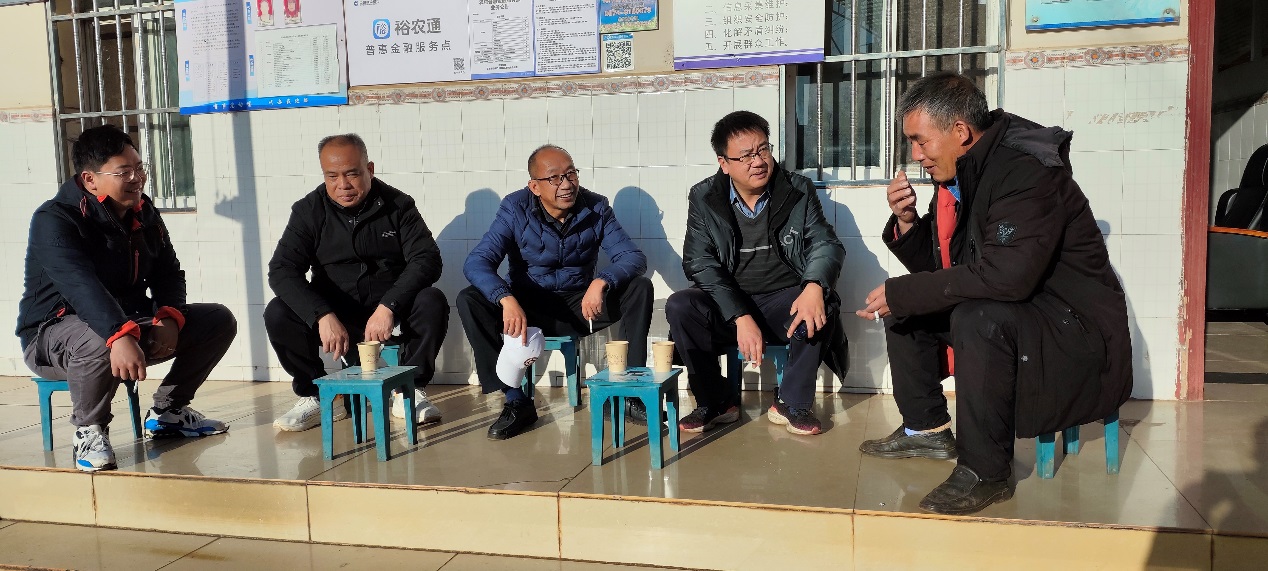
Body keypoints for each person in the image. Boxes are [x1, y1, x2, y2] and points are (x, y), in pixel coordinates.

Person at [856, 72, 1132, 515]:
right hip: (1023, 311)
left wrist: (905, 290)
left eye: (920, 141)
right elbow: (944, 273)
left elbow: (1007, 277)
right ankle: (926, 429)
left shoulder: (1026, 171)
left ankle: (986, 472)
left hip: (1073, 328)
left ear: (960, 131)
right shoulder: (964, 173)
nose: (916, 155)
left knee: (976, 317)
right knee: (906, 311)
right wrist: (907, 222)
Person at [17, 124, 237, 472]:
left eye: (139, 168)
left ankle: (169, 412)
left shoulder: (143, 211)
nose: (137, 178)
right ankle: (89, 430)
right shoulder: (55, 219)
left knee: (217, 320)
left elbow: (168, 272)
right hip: (53, 334)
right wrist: (118, 333)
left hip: (127, 323)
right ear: (90, 180)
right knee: (98, 338)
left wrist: (168, 315)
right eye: (124, 172)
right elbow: (80, 286)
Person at [666, 111, 848, 436]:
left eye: (763, 149)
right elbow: (698, 261)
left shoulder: (797, 189)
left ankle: (791, 402)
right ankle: (716, 400)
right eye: (746, 155)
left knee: (823, 300)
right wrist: (739, 315)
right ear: (724, 163)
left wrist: (813, 286)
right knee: (680, 306)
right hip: (730, 306)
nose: (759, 161)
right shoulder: (704, 197)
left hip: (782, 302)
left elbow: (826, 244)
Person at [458, 144, 652, 440]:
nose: (567, 184)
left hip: (580, 308)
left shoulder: (596, 207)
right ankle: (515, 401)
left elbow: (633, 257)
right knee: (469, 299)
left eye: (571, 174)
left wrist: (601, 281)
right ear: (534, 186)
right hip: (528, 310)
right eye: (555, 178)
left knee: (639, 287)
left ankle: (628, 394)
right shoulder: (515, 208)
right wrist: (505, 299)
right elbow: (477, 262)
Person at [265, 134, 449, 432]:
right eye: (332, 176)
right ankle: (318, 395)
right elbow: (282, 270)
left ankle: (408, 391)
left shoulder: (399, 205)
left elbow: (427, 259)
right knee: (278, 311)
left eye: (352, 174)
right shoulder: (308, 210)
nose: (343, 185)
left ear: (369, 169)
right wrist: (321, 314)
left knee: (432, 300)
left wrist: (389, 306)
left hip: (388, 306)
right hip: (335, 310)